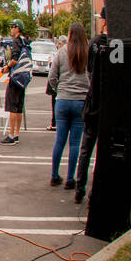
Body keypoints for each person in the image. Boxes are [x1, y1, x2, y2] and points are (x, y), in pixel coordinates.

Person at [48, 22, 90, 188]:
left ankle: (54, 175)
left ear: (70, 34)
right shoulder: (87, 53)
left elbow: (52, 76)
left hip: (63, 100)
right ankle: (71, 178)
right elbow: (91, 76)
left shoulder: (61, 52)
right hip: (81, 101)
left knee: (60, 140)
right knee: (75, 143)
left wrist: (59, 88)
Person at [74, 9, 108, 204]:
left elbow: (89, 73)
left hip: (93, 102)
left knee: (86, 148)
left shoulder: (95, 43)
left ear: (104, 20)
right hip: (109, 104)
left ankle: (80, 188)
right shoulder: (120, 44)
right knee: (103, 151)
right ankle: (96, 192)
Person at [1, 20, 30, 144]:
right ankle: (17, 134)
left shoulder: (16, 42)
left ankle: (11, 135)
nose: (11, 29)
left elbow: (14, 60)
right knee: (19, 107)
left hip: (15, 77)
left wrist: (6, 67)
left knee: (12, 107)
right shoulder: (26, 42)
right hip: (23, 79)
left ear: (17, 28)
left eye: (12, 27)